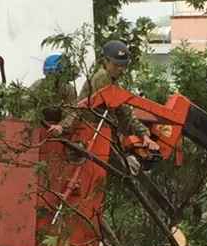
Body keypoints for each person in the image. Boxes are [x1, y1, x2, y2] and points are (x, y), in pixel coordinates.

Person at [62, 40, 160, 171]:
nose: (120, 68)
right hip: (92, 131)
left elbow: (123, 112)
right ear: (106, 61)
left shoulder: (112, 81)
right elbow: (120, 111)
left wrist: (144, 135)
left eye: (123, 65)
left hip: (96, 131)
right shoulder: (102, 77)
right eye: (116, 64)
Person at [24, 53, 78, 138]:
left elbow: (73, 112)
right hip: (36, 129)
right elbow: (23, 105)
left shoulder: (68, 89)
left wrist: (62, 126)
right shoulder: (38, 87)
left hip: (58, 131)